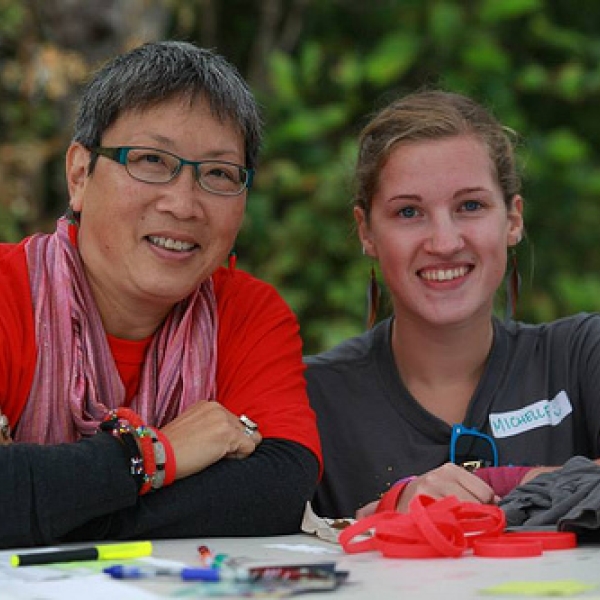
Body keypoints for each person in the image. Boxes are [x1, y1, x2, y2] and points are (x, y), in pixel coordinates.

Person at [0, 40, 321, 548]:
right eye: (150, 159)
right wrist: (156, 454)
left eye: (218, 173)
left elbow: (276, 489)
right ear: (80, 174)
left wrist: (47, 509)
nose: (183, 203)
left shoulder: (248, 313)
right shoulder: (7, 292)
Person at [305, 89, 600, 519]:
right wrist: (392, 507)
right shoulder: (315, 397)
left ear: (513, 220)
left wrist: (497, 484)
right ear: (366, 231)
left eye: (470, 206)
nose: (444, 242)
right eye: (408, 212)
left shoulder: (579, 357)